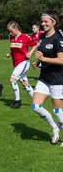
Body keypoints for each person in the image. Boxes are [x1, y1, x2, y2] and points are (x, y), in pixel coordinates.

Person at [31, 10, 63, 145]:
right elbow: (42, 52)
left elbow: (61, 60)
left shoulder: (58, 39)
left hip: (57, 79)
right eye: (42, 21)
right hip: (44, 78)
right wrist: (38, 62)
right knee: (36, 106)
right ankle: (55, 127)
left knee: (57, 111)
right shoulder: (42, 36)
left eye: (46, 22)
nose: (43, 24)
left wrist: (43, 58)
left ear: (53, 22)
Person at [6, 21, 37, 108]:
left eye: (11, 31)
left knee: (12, 80)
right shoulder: (12, 37)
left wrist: (30, 53)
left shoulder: (25, 37)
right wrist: (10, 53)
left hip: (23, 62)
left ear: (16, 28)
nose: (10, 33)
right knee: (25, 83)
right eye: (9, 31)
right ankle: (37, 100)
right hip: (16, 63)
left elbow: (34, 45)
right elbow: (14, 48)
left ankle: (17, 101)